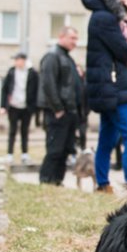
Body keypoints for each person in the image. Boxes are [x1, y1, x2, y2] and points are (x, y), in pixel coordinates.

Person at [81, 0, 127, 193]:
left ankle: (103, 183)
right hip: (115, 88)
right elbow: (125, 52)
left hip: (108, 87)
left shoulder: (101, 16)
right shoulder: (105, 18)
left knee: (107, 137)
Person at [37, 26, 83, 186]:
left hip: (69, 111)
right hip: (58, 112)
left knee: (64, 149)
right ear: (61, 37)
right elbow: (48, 84)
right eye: (72, 38)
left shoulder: (66, 57)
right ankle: (46, 180)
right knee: (55, 149)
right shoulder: (52, 56)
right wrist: (57, 109)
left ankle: (57, 180)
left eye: (76, 39)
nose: (75, 42)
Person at [0, 52, 38, 166]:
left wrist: (35, 107)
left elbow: (36, 89)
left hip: (26, 107)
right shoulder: (11, 72)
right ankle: (10, 154)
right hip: (13, 106)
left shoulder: (32, 73)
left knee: (24, 131)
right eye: (15, 60)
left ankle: (24, 154)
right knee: (12, 130)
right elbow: (4, 89)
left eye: (18, 60)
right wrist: (3, 106)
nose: (16, 62)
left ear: (23, 60)